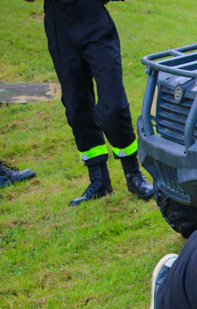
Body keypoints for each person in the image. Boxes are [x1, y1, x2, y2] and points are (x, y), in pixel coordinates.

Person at [31, 0, 153, 206]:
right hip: (58, 24)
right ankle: (99, 181)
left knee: (114, 105)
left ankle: (133, 174)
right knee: (76, 106)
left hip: (93, 20)